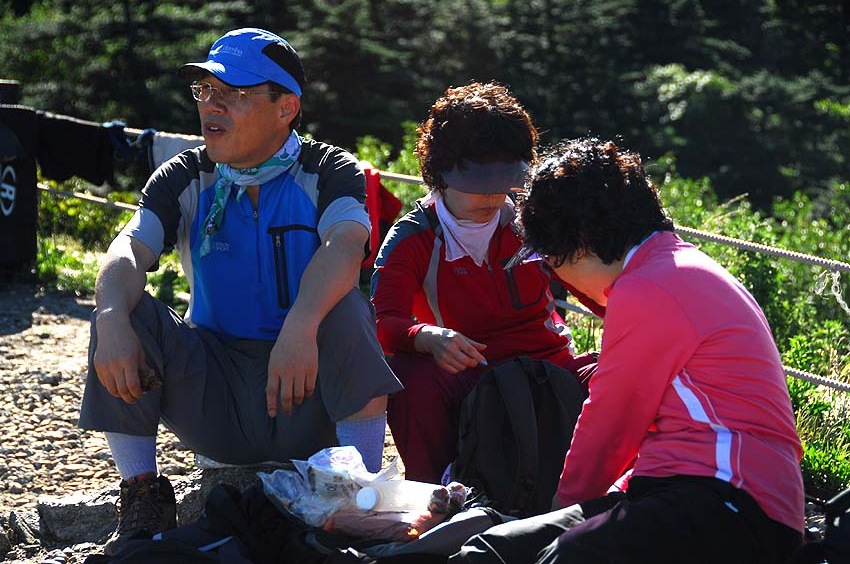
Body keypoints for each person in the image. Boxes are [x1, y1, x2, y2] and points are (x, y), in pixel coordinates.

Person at [78, 27, 402, 554]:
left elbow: (346, 247)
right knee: (124, 306)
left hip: (307, 395)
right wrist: (111, 318)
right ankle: (141, 492)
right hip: (216, 392)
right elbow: (126, 251)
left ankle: (357, 493)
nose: (212, 105)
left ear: (286, 107)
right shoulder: (187, 174)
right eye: (205, 91)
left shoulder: (328, 170)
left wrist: (300, 326)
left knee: (344, 307)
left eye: (233, 93)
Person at [452, 137, 804, 563]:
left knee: (563, 556)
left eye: (548, 259)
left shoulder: (650, 288)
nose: (553, 274)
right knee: (492, 551)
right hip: (686, 491)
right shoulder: (667, 267)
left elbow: (610, 424)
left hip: (733, 501)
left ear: (578, 242)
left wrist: (563, 511)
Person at [370, 82, 599, 484]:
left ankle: (616, 489)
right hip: (467, 370)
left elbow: (597, 290)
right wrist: (427, 337)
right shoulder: (414, 237)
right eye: (478, 180)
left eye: (505, 177)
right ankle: (434, 496)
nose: (492, 194)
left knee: (617, 372)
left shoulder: (533, 222)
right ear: (438, 173)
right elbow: (384, 322)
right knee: (411, 378)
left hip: (550, 365)